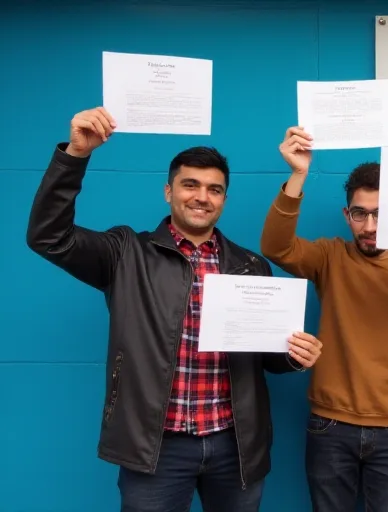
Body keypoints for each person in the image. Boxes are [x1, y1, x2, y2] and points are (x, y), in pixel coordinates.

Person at [26, 107, 323, 512]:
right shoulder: (126, 253)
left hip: (234, 446)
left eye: (214, 189)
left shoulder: (250, 265)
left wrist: (294, 356)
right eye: (190, 185)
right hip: (157, 447)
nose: (202, 197)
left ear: (224, 199)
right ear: (169, 191)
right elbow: (48, 237)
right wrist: (75, 155)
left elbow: (266, 357)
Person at [259, 127, 388, 512]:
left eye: (380, 214)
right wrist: (298, 175)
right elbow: (275, 247)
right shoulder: (330, 257)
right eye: (360, 214)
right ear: (347, 214)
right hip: (329, 427)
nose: (369, 227)